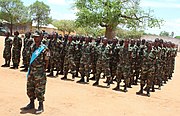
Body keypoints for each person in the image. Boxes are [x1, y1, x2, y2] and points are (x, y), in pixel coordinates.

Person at [21, 31, 50, 114]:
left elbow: (47, 62)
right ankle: (31, 103)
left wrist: (41, 71)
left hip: (40, 73)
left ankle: (41, 106)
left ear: (41, 37)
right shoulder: (32, 47)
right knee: (30, 88)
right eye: (34, 37)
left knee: (39, 90)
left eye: (37, 37)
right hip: (31, 72)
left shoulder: (45, 49)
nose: (35, 38)